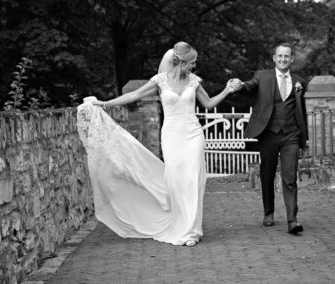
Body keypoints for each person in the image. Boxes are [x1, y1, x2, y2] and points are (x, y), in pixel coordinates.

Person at [76, 41, 237, 247]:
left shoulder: (194, 81)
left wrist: (226, 90)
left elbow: (208, 103)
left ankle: (191, 231)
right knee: (176, 181)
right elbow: (134, 94)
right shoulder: (160, 81)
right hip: (171, 136)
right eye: (192, 62)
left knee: (193, 181)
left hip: (193, 135)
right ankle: (179, 225)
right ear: (181, 61)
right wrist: (104, 103)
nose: (194, 66)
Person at [230, 42, 308, 234]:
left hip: (291, 135)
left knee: (290, 177)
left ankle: (292, 220)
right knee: (267, 174)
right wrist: (240, 85)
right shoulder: (262, 76)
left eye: (286, 56)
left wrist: (303, 137)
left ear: (291, 59)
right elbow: (250, 86)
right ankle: (268, 212)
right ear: (274, 58)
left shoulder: (299, 82)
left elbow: (301, 111)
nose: (283, 59)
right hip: (268, 134)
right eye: (279, 56)